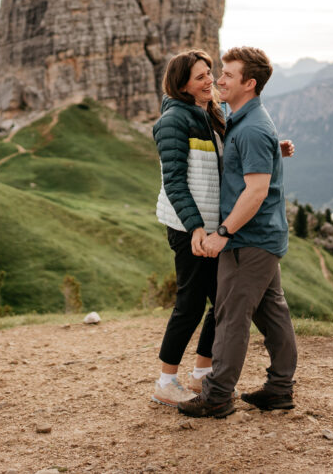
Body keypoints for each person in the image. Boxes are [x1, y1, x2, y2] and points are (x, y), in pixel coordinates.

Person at [178, 46, 299, 419]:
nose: (219, 79)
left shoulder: (252, 128)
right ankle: (279, 389)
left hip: (249, 240)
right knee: (272, 313)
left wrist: (224, 233)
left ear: (250, 83)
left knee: (230, 315)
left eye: (228, 74)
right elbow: (253, 164)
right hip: (263, 238)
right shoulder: (243, 121)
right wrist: (273, 150)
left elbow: (256, 191)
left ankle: (217, 396)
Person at [150, 49, 226, 407]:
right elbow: (175, 182)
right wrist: (195, 227)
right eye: (200, 76)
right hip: (188, 227)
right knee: (191, 303)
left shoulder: (211, 114)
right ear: (182, 85)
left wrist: (274, 149)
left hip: (212, 227)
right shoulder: (174, 121)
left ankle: (201, 374)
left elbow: (228, 158)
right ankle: (166, 381)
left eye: (210, 72)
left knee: (222, 299)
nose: (209, 79)